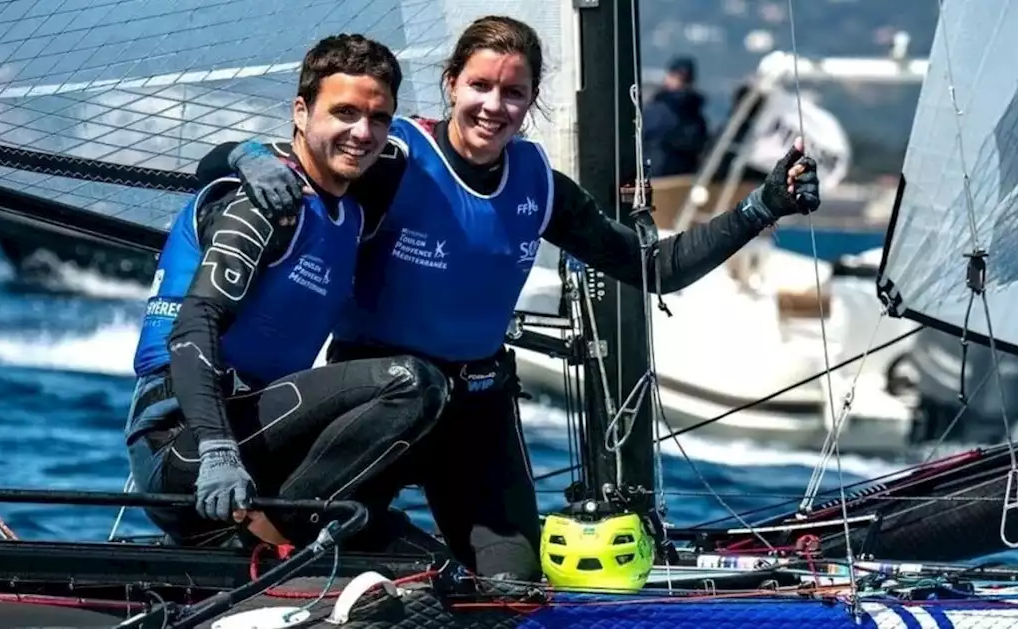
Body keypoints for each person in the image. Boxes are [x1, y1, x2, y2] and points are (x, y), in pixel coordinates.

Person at [198, 15, 821, 578]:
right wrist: (248, 154)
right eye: (480, 87)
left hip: (477, 408)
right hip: (385, 401)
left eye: (513, 92)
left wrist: (763, 205)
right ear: (450, 85)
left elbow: (657, 265)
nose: (494, 106)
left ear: (530, 103)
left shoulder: (538, 184)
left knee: (512, 589)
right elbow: (278, 163)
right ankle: (245, 554)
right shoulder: (394, 157)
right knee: (356, 562)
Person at [124, 33, 449, 549]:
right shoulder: (265, 200)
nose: (362, 132)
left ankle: (285, 537)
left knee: (424, 554)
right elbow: (192, 328)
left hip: (265, 436)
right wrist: (217, 450)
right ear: (301, 112)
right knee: (412, 383)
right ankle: (279, 540)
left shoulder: (354, 201)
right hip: (186, 448)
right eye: (343, 113)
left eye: (379, 119)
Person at [642, 56, 710, 177]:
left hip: (677, 178)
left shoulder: (695, 116)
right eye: (675, 77)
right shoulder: (655, 110)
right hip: (660, 177)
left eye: (683, 79)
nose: (678, 83)